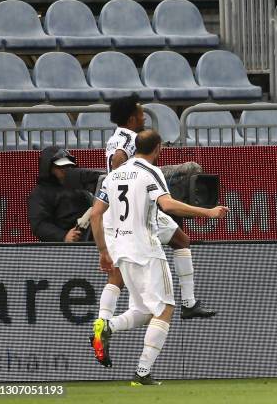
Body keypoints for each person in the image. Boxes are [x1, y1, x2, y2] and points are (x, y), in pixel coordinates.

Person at [90, 129, 229, 385]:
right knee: (165, 308)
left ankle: (107, 326)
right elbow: (168, 205)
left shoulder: (114, 175)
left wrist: (102, 250)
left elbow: (96, 214)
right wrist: (207, 212)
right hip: (146, 249)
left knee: (144, 310)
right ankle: (142, 372)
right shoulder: (150, 172)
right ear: (157, 149)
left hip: (121, 250)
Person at [96, 94, 215, 335]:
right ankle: (188, 303)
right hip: (138, 209)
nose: (144, 117)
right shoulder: (130, 139)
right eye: (141, 114)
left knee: (119, 273)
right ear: (132, 119)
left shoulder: (114, 137)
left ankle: (103, 321)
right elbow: (121, 162)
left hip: (118, 214)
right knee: (156, 298)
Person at [27, 147, 92, 242]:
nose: (64, 169)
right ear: (48, 168)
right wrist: (63, 236)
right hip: (63, 249)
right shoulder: (39, 193)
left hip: (92, 242)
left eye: (67, 165)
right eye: (60, 166)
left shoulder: (80, 186)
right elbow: (39, 224)